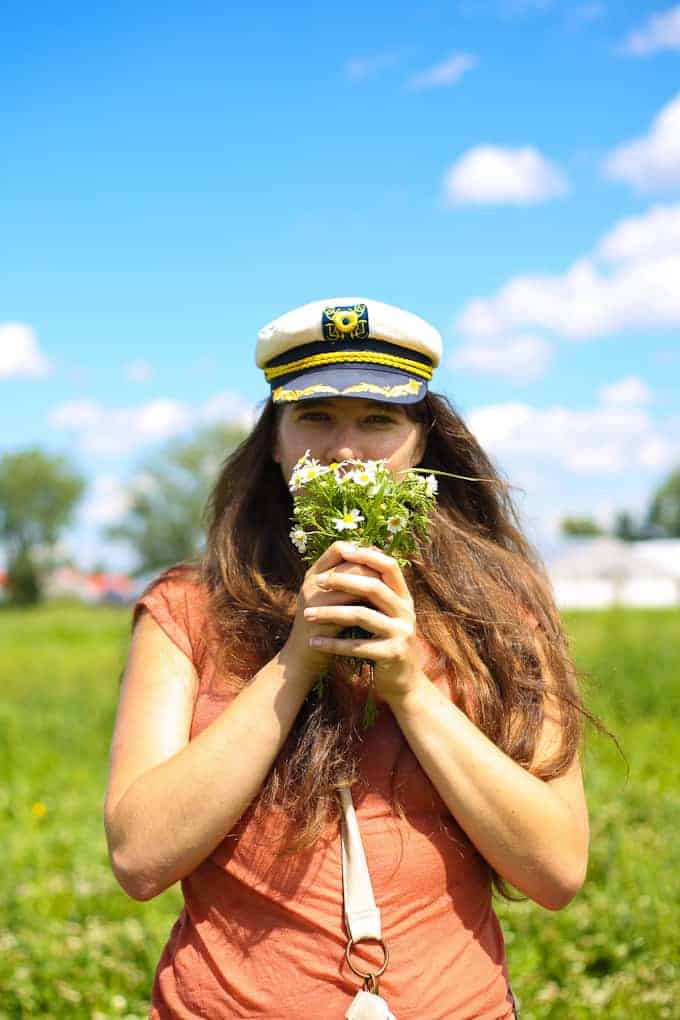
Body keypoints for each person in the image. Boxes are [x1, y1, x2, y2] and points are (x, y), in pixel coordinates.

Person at [104, 297, 590, 1019]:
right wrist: (295, 661)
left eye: (377, 420)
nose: (344, 450)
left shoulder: (501, 607)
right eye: (314, 417)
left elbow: (556, 871)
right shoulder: (191, 606)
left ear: (422, 440)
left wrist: (412, 690)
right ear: (273, 439)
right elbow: (140, 858)